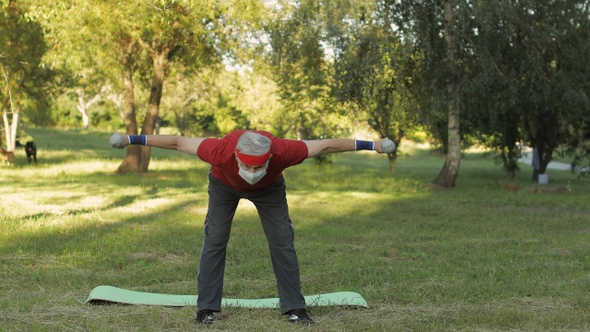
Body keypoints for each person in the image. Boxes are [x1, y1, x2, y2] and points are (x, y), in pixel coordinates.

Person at [110, 129, 392, 325]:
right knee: (215, 240)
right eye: (248, 166)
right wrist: (130, 139)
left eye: (259, 166)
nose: (253, 173)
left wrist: (374, 146)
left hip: (270, 191)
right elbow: (176, 142)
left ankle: (295, 309)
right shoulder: (219, 150)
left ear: (270, 158)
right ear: (236, 157)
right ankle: (205, 309)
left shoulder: (283, 151)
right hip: (224, 186)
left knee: (282, 241)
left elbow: (328, 145)